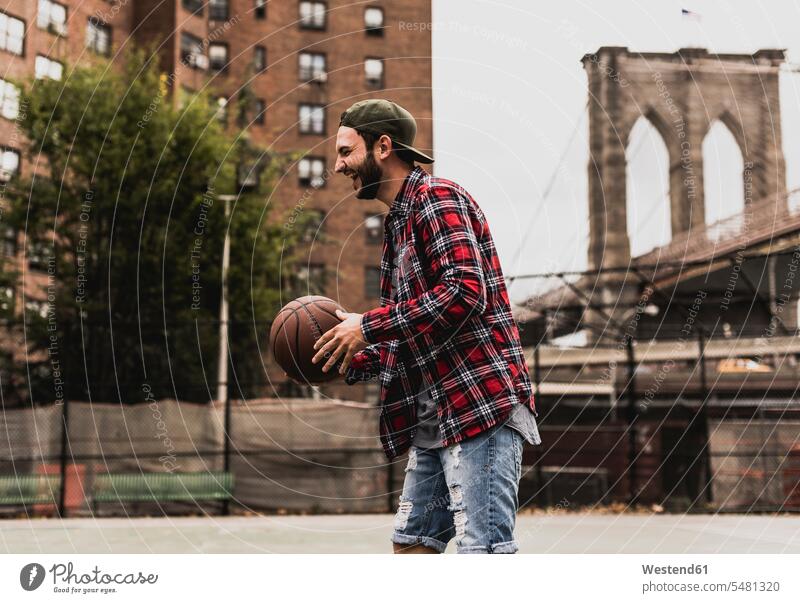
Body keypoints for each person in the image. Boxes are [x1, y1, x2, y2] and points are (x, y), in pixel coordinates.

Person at [310, 99, 541, 554]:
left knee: (485, 549)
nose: (337, 167)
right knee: (412, 544)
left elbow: (464, 291)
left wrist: (369, 326)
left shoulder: (436, 198)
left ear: (382, 146)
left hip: (479, 407)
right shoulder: (397, 224)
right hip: (434, 416)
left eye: (344, 152)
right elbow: (410, 332)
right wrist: (345, 355)